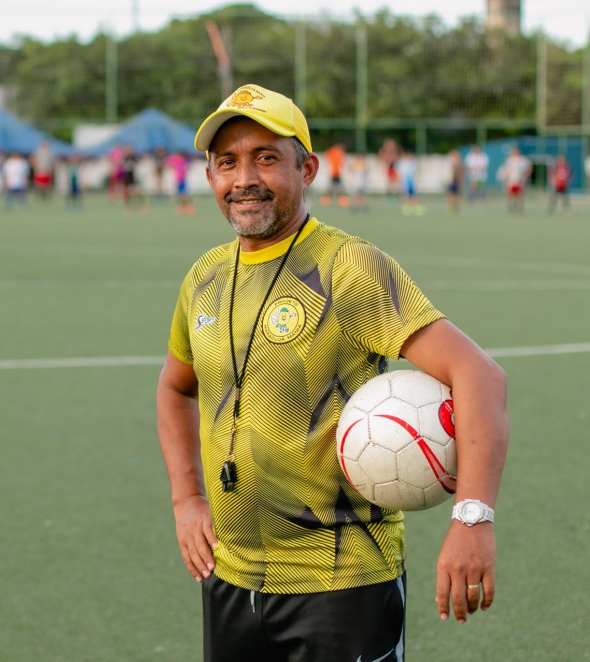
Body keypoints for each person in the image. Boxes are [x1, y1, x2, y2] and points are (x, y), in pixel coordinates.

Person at [156, 83, 508, 661]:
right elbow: (174, 389)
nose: (243, 177)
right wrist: (186, 499)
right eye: (227, 162)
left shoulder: (350, 268)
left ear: (308, 167)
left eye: (265, 157)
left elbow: (479, 376)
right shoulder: (205, 277)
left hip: (342, 585)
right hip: (230, 575)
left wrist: (473, 519)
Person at [497, 146, 532, 214]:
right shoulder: (509, 160)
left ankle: (520, 206)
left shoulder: (523, 160)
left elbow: (529, 168)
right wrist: (505, 176)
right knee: (510, 194)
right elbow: (505, 169)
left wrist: (525, 175)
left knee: (520, 194)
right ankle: (510, 206)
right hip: (511, 180)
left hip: (520, 180)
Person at [446, 148, 465, 213]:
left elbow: (460, 173)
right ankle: (453, 206)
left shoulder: (457, 163)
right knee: (452, 194)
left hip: (455, 181)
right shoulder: (454, 162)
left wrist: (460, 181)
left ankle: (454, 206)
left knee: (453, 194)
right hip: (453, 181)